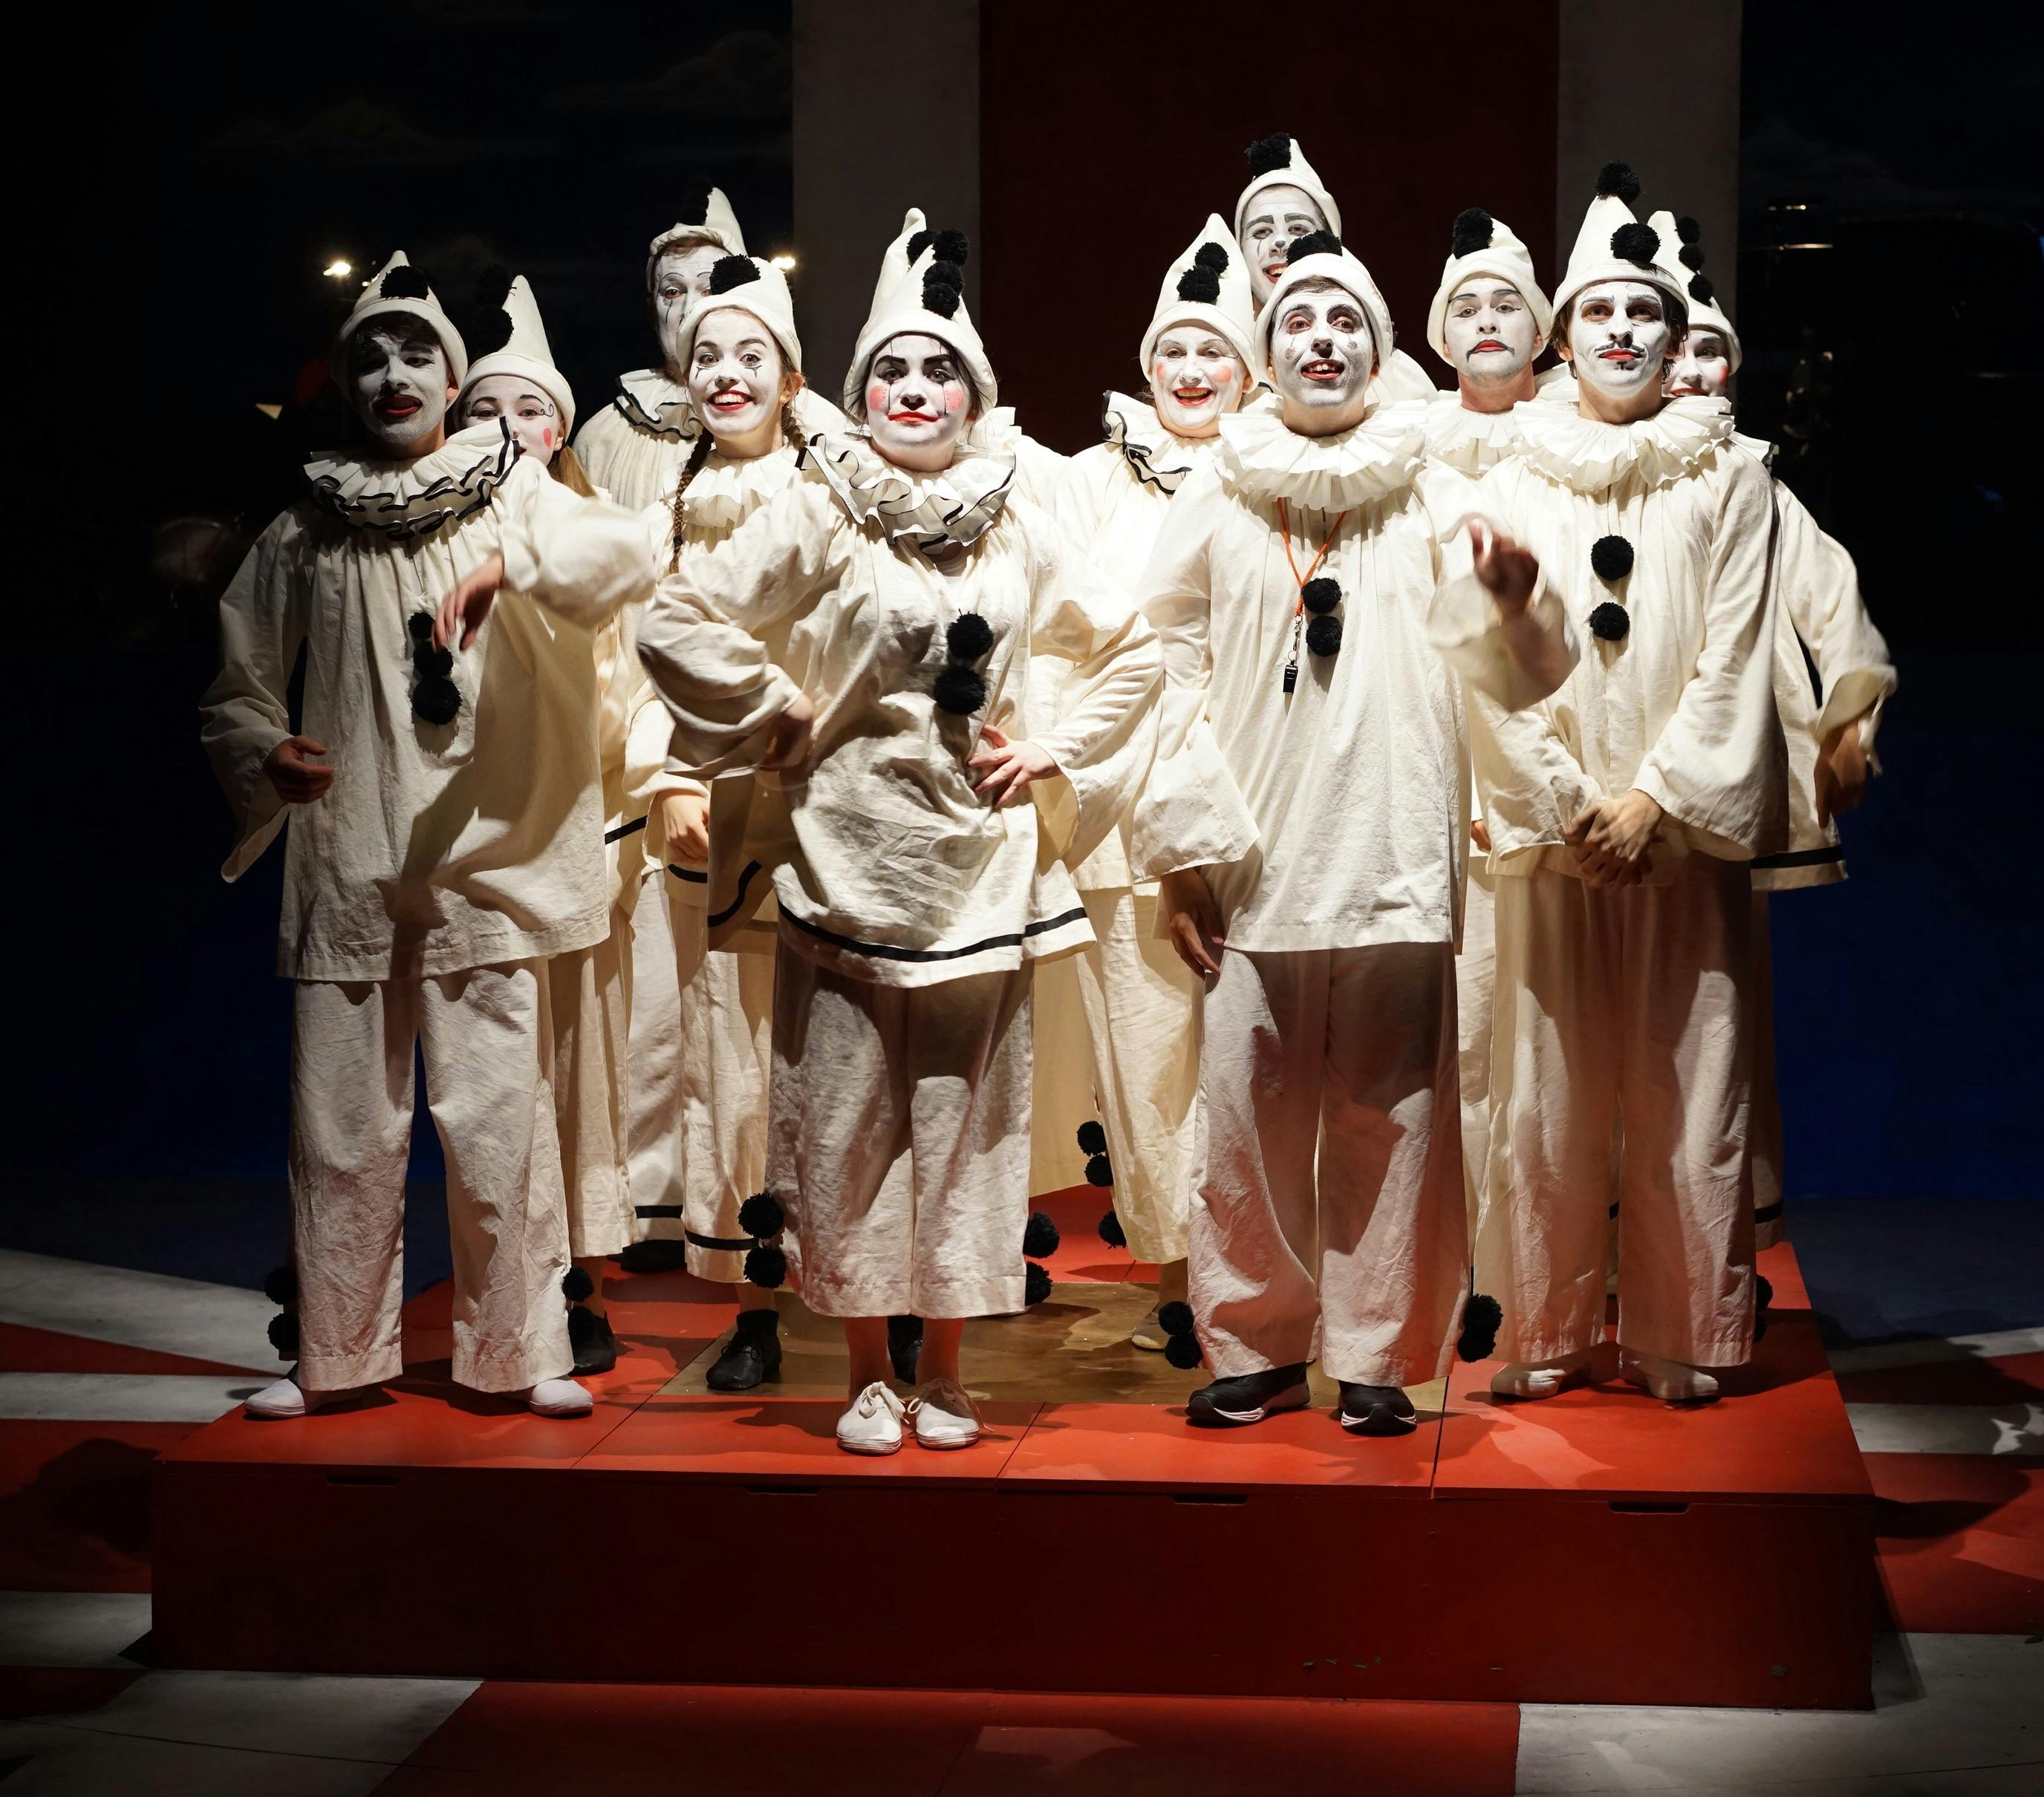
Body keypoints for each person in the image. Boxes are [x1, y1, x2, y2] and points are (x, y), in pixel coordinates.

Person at [637, 217, 1161, 1455]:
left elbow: (1130, 646)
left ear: (972, 396)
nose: (912, 392)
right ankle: (866, 1371)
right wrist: (770, 706)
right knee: (846, 1123)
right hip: (843, 860)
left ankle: (950, 1373)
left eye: (935, 374)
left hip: (980, 870)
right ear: (859, 392)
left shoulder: (1020, 513)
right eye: (890, 374)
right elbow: (676, 616)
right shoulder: (826, 511)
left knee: (970, 1129)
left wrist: (1056, 747)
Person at [1132, 229, 1577, 1435]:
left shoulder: (1432, 486)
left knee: (1395, 1117)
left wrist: (1516, 598)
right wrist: (1177, 849)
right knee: (1243, 1116)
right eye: (1299, 327)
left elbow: (1520, 675)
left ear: (1376, 350)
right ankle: (1256, 1344)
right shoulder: (1218, 487)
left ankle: (1376, 1351)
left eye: (1343, 325)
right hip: (1249, 856)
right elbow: (1162, 667)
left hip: (1388, 847)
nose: (1321, 341)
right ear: (1269, 356)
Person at [201, 255, 656, 1420]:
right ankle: (338, 1355)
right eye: (371, 355)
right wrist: (268, 752)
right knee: (344, 1130)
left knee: (499, 1120)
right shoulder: (309, 526)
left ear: (454, 384)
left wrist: (525, 558)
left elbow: (623, 557)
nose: (392, 373)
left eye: (417, 355)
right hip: (350, 858)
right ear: (343, 383)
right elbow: (242, 676)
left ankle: (519, 1350)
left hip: (482, 858)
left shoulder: (510, 486)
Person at [1463, 167, 1788, 1406]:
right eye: (1596, 311)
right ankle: (1542, 1328)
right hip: (1558, 838)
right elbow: (1487, 658)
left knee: (1687, 1081)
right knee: (1541, 1091)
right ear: (1561, 334)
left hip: (1677, 835)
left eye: (1642, 314)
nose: (1618, 333)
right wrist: (1563, 803)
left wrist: (1655, 797)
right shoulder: (1510, 469)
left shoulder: (1730, 472)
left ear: (1671, 330)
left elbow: (1733, 655)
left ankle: (1682, 1331)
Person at [1648, 209, 1895, 1254]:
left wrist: (1852, 711)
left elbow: (1828, 593)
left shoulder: (1752, 481)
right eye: (1684, 349)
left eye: (1715, 351)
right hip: (1594, 780)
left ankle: (1707, 1244)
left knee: (1713, 1019)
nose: (1699, 370)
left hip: (1718, 784)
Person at [632, 252, 844, 1390]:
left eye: (749, 354)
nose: (725, 372)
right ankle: (753, 1303)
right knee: (733, 1058)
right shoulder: (666, 502)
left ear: (791, 375)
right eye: (708, 354)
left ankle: (862, 1286)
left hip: (826, 800)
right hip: (715, 809)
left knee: (841, 1051)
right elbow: (638, 660)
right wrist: (665, 781)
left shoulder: (838, 490)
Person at [1047, 214, 1259, 1346]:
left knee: (1247, 1054)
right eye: (1174, 350)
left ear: (1248, 366)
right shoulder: (1087, 480)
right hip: (1122, 812)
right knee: (1145, 1057)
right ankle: (1180, 1287)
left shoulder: (1275, 469)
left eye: (1213, 351)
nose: (1191, 370)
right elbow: (1074, 630)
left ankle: (1263, 1283)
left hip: (1250, 794)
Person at [452, 268, 633, 1374]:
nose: (508, 428)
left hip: (584, 830)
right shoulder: (419, 533)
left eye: (528, 408)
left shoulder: (591, 525)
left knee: (582, 1077)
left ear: (560, 425)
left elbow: (634, 670)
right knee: (494, 1088)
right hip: (471, 844)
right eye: (483, 408)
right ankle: (512, 1293)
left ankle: (587, 1280)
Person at [1416, 208, 1558, 1317]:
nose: (1486, 321)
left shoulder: (1584, 442)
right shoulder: (1408, 445)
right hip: (1437, 780)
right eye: (1465, 306)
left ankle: (1550, 1271)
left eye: (1506, 301)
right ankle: (1456, 1273)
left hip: (1557, 776)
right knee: (1455, 1040)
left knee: (1545, 1043)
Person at [573, 189, 748, 512]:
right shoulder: (602, 437)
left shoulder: (812, 424)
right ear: (652, 312)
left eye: (710, 290)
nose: (690, 309)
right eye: (672, 291)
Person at [1234, 134, 1439, 400]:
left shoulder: (1398, 381)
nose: (1280, 242)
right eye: (1261, 231)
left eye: (1298, 228)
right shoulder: (1217, 368)